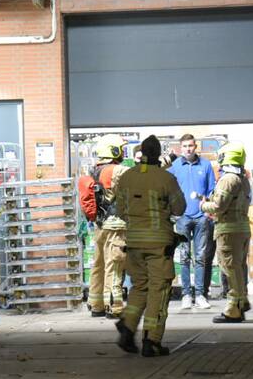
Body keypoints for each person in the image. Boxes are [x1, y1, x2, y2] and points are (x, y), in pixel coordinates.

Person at [114, 135, 186, 357]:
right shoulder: (165, 178)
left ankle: (127, 325)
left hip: (133, 243)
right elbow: (179, 209)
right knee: (158, 290)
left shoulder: (127, 177)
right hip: (159, 245)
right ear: (158, 153)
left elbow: (119, 210)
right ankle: (151, 340)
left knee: (139, 287)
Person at [201, 143, 252, 323]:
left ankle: (233, 309)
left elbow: (218, 206)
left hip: (228, 230)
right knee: (239, 267)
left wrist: (203, 205)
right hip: (243, 228)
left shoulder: (228, 179)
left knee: (229, 268)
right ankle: (242, 300)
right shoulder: (243, 179)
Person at [168, 134, 216, 310]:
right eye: (185, 146)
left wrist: (207, 201)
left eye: (191, 146)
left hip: (201, 218)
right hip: (182, 217)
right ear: (181, 148)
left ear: (196, 147)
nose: (188, 149)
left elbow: (213, 189)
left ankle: (201, 294)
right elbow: (165, 186)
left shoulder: (205, 165)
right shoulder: (174, 167)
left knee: (201, 258)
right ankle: (186, 295)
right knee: (184, 257)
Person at [87, 135, 129, 319]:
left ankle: (95, 304)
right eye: (121, 148)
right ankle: (114, 306)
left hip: (100, 225)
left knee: (99, 264)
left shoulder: (94, 170)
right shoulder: (117, 170)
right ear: (114, 150)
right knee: (114, 264)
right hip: (116, 225)